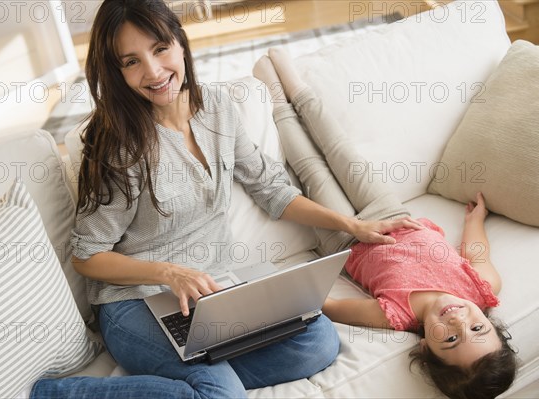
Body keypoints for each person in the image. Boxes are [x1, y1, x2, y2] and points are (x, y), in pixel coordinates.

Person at [29, 1, 421, 397]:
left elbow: (271, 188)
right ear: (117, 73)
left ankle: (197, 378)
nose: (153, 71)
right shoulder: (120, 148)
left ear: (180, 44)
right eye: (131, 61)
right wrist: (168, 273)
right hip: (134, 303)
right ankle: (63, 393)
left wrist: (353, 225)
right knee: (223, 393)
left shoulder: (218, 108)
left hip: (214, 295)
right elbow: (86, 255)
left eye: (160, 48)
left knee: (317, 341)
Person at [253, 48, 518, 399]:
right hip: (391, 213)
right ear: (492, 323)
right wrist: (476, 219)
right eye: (477, 327)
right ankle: (298, 89)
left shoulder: (395, 316)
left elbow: (328, 305)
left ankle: (277, 101)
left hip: (345, 237)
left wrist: (280, 291)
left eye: (451, 339)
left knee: (310, 168)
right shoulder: (483, 286)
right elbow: (476, 252)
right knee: (340, 150)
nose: (458, 322)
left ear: (425, 348)